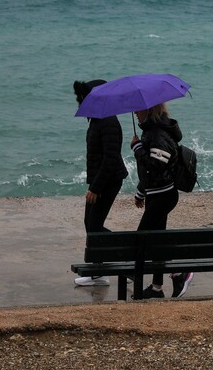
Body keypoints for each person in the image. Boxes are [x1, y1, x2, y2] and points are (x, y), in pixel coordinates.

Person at [131, 103, 193, 298]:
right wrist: (142, 192)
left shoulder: (158, 133)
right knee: (156, 238)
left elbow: (157, 166)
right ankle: (157, 288)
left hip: (164, 195)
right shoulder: (151, 131)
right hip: (156, 194)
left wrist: (138, 148)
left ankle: (179, 272)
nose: (134, 112)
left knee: (142, 238)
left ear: (149, 110)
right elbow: (149, 172)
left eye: (138, 109)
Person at [73, 79, 129, 287]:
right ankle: (101, 269)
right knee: (91, 224)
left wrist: (95, 187)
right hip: (102, 179)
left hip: (108, 180)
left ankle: (127, 257)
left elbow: (110, 158)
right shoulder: (98, 119)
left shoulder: (108, 122)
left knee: (94, 225)